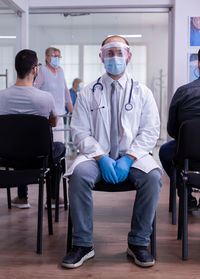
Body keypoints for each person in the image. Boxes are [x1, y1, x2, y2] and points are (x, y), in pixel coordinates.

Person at [61, 35, 162, 269]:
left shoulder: (142, 92)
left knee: (153, 177)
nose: (115, 57)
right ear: (101, 57)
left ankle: (138, 243)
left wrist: (128, 158)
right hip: (97, 158)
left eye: (119, 52)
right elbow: (79, 131)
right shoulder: (88, 92)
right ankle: (82, 244)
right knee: (79, 176)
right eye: (109, 52)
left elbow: (150, 131)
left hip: (132, 158)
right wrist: (100, 156)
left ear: (129, 56)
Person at [0, 49, 66, 209]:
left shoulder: (1, 97)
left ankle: (22, 197)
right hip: (39, 158)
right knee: (59, 148)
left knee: (17, 144)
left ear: (15, 68)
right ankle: (51, 198)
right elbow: (53, 123)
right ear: (35, 69)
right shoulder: (45, 98)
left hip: (8, 157)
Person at [159, 49, 200, 211]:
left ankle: (186, 193)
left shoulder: (184, 92)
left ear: (198, 63)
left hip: (187, 155)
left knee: (165, 151)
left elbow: (172, 129)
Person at [34, 47, 73, 143]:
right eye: (55, 56)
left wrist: (73, 111)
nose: (57, 59)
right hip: (46, 115)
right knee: (46, 143)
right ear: (47, 58)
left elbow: (66, 92)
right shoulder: (42, 70)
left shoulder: (61, 71)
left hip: (59, 114)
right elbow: (34, 90)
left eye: (59, 57)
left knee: (59, 143)